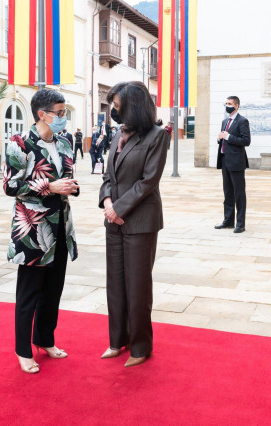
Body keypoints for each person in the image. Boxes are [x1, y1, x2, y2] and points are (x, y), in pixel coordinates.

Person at [3, 89, 80, 374]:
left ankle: (45, 338)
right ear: (42, 114)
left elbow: (67, 175)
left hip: (61, 226)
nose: (63, 118)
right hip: (33, 228)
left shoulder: (64, 141)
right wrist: (49, 187)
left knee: (53, 290)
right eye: (59, 114)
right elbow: (11, 187)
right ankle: (23, 350)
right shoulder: (19, 143)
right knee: (29, 293)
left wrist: (71, 186)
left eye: (64, 113)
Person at [98, 81, 168, 367]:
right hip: (113, 220)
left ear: (133, 105)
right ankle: (118, 341)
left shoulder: (157, 136)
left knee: (138, 286)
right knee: (115, 283)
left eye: (117, 106)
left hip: (140, 221)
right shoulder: (118, 134)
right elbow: (107, 176)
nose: (114, 111)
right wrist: (106, 202)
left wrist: (118, 208)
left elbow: (148, 181)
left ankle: (140, 347)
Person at [215, 95, 251, 234]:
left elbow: (246, 141)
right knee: (228, 192)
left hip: (237, 162)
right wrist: (220, 139)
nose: (227, 106)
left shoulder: (243, 121)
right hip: (225, 161)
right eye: (226, 103)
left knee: (239, 193)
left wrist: (228, 137)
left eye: (229, 103)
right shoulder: (225, 121)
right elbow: (224, 139)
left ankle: (240, 224)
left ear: (236, 106)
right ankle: (228, 221)